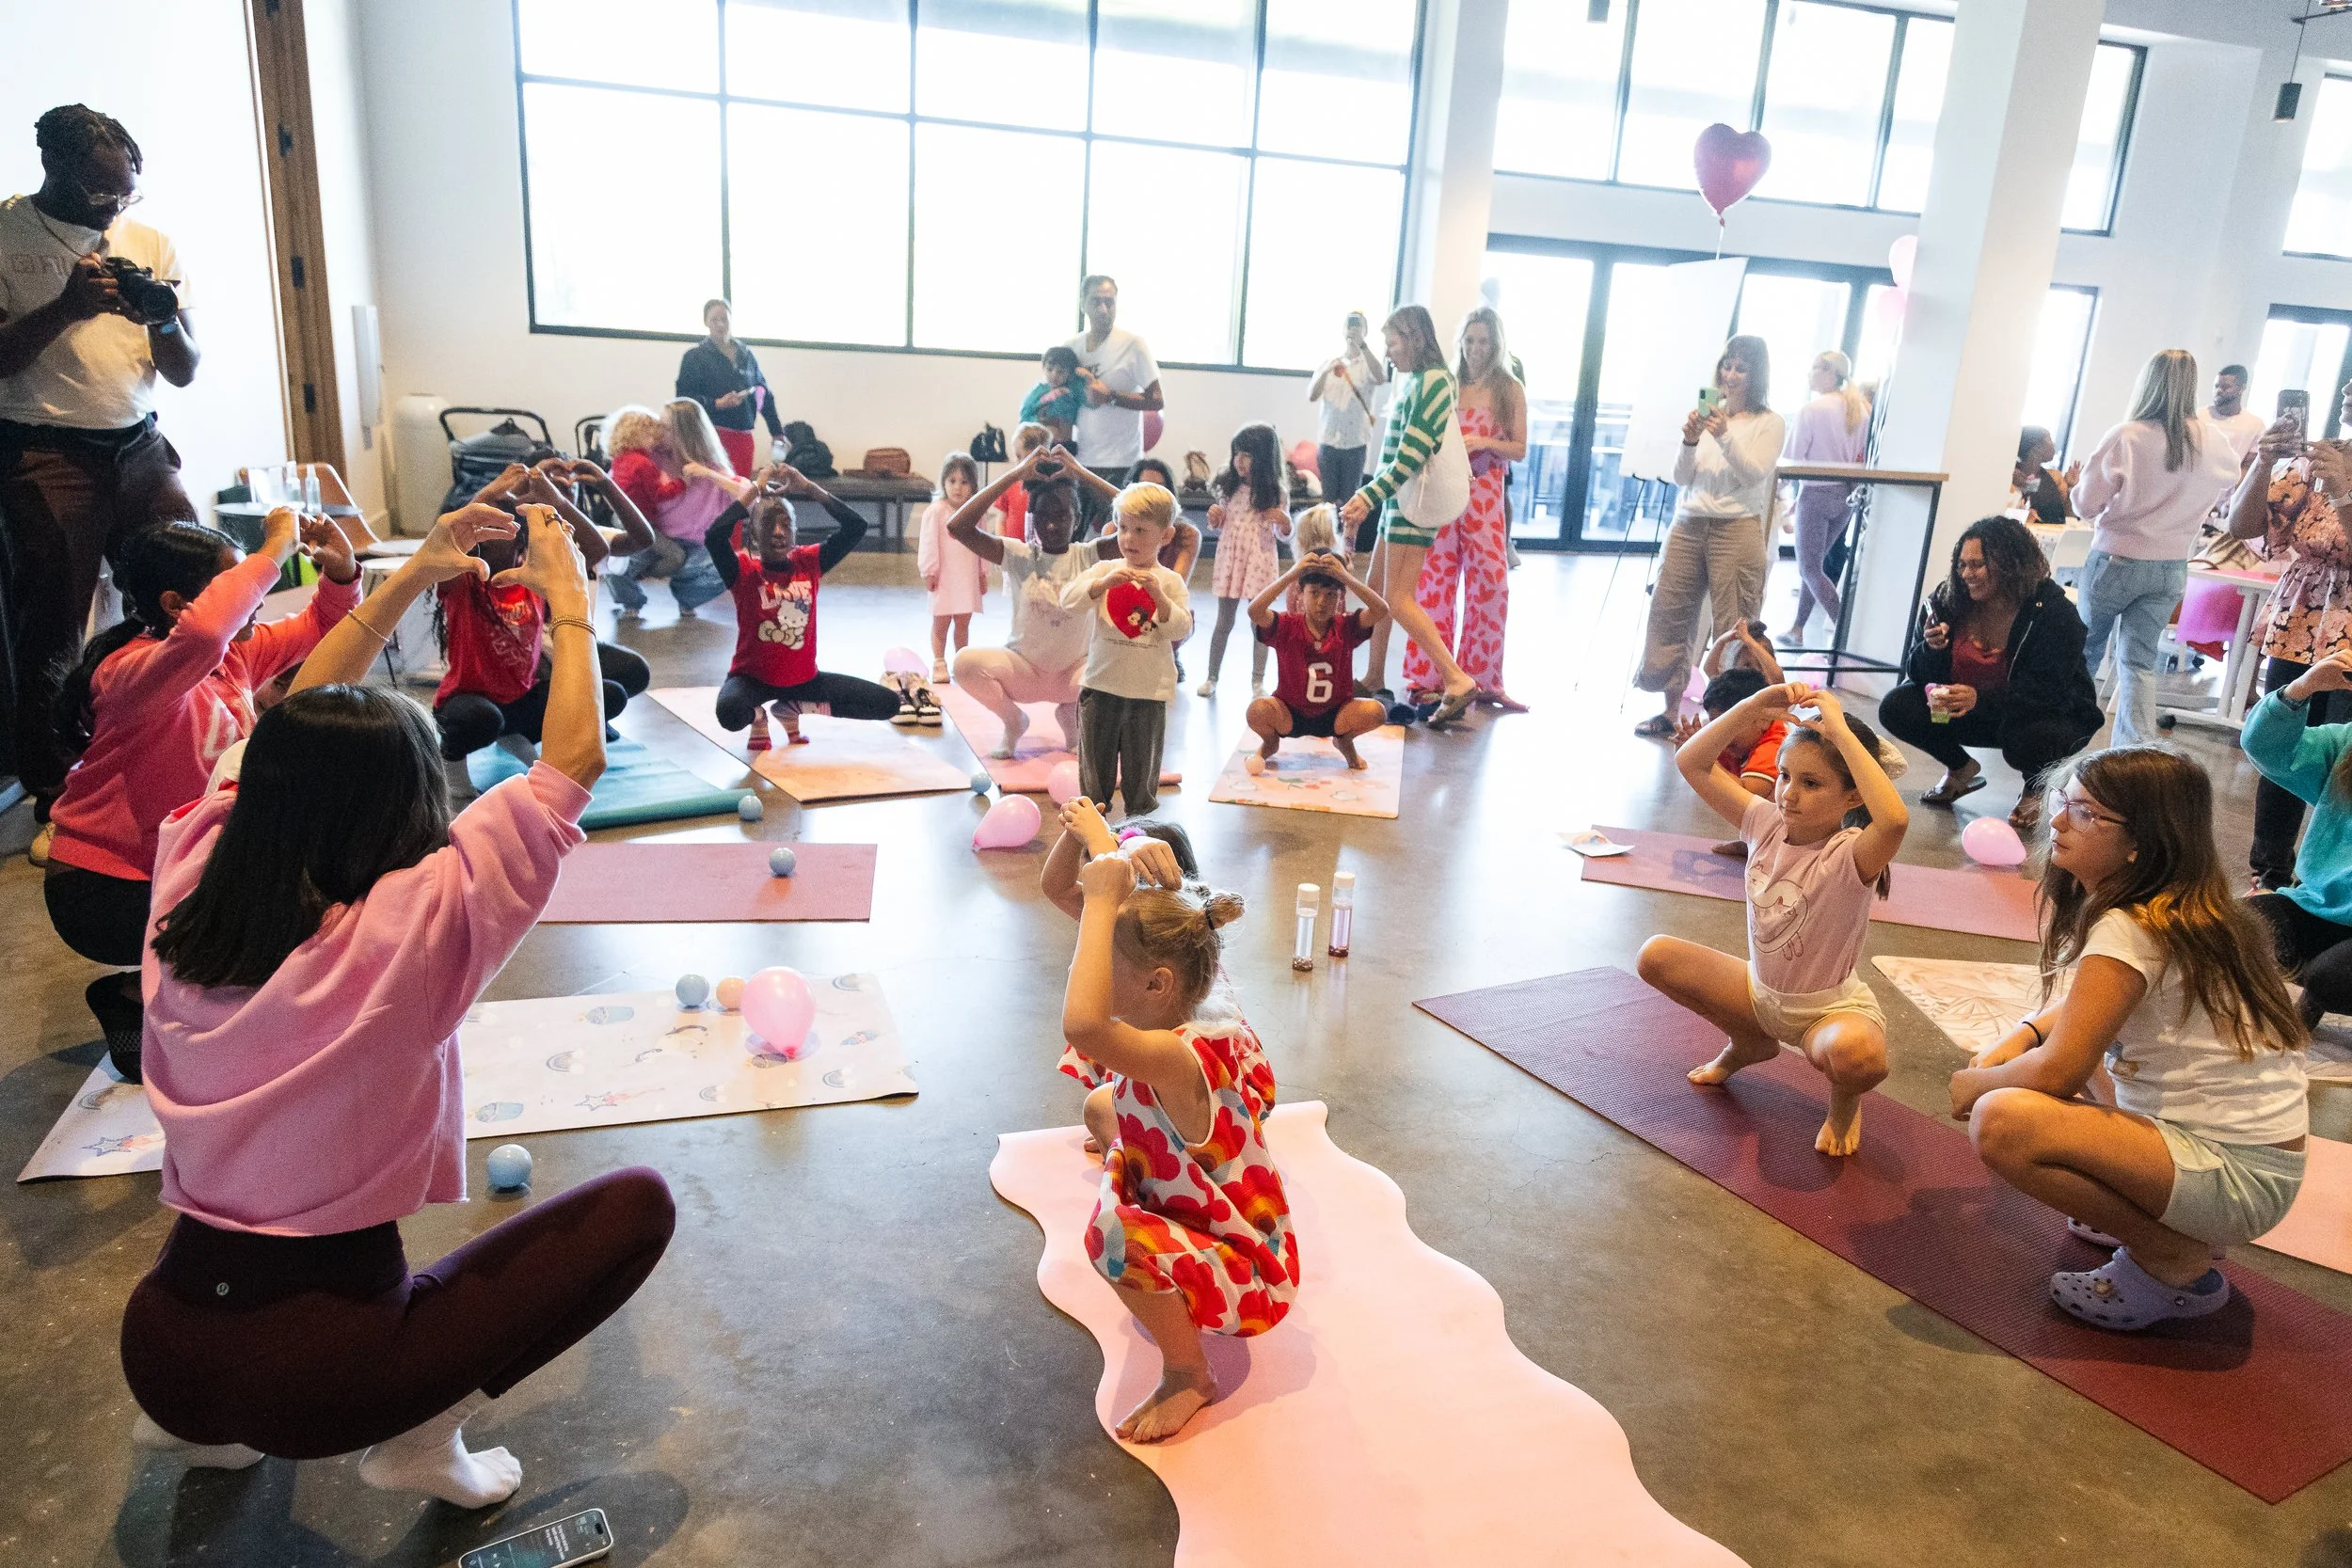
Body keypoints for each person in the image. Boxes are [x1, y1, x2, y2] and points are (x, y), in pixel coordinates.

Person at [119, 501, 675, 1502]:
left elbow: (293, 716)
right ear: (414, 808)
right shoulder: (419, 921)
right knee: (640, 1204)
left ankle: (206, 1435)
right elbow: (572, 765)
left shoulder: (192, 875)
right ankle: (417, 1439)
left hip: (161, 1356)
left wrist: (419, 570)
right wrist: (571, 600)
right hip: (325, 1371)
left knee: (226, 1354)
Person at [1949, 748, 2307, 1332]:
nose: (2059, 820)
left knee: (2002, 1118)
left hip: (2238, 1180)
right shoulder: (2179, 908)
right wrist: (2023, 1032)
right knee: (2081, 1052)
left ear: (2143, 840)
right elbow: (2089, 1011)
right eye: (2066, 801)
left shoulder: (2130, 923)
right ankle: (2158, 1215)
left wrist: (1973, 1080)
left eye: (2088, 813)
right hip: (2255, 1168)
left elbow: (2057, 1072)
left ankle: (2173, 1255)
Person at [42, 508, 356, 1081]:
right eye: (241, 583)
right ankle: (144, 993)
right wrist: (275, 548)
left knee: (305, 897)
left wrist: (340, 574)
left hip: (170, 874)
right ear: (173, 604)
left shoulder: (231, 658)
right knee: (283, 917)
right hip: (103, 890)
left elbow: (322, 626)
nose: (257, 598)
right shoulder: (129, 672)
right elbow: (208, 630)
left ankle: (139, 1001)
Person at [0, 106, 203, 858]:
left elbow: (182, 370)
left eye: (127, 194)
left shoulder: (147, 241)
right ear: (54, 170)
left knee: (197, 584)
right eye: (99, 194)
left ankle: (189, 748)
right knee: (54, 619)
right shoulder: (7, 235)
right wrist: (67, 307)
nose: (115, 209)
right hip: (47, 451)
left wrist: (162, 319)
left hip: (141, 446)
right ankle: (57, 795)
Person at [1056, 837, 1296, 1442]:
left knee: (1111, 1236)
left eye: (1105, 967)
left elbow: (1083, 1024)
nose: (1087, 974)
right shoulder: (1181, 1005)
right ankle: (1144, 1162)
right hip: (1195, 1197)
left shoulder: (1170, 1053)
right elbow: (1061, 892)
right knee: (1098, 1105)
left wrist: (1108, 892)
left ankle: (1190, 1374)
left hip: (1252, 1274)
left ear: (1157, 985)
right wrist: (1087, 842)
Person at [1640, 684, 1905, 1157]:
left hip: (1828, 1014)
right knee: (1655, 955)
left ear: (1850, 797)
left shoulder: (1851, 854)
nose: (1789, 794)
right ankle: (1749, 1041)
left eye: (1811, 783)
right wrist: (1752, 707)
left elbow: (1895, 822)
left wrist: (1841, 732)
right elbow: (1692, 763)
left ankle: (1845, 1103)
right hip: (1759, 995)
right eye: (1785, 776)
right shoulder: (1764, 824)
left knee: (1856, 1058)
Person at [1878, 516, 2102, 833]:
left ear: (2010, 564)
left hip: (2042, 715)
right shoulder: (1947, 600)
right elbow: (1917, 677)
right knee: (1896, 705)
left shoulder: (2053, 613)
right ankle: (1961, 768)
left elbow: (2047, 690)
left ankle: (2035, 787)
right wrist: (1932, 649)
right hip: (1970, 712)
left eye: (1978, 565)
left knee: (2029, 737)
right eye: (1962, 565)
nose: (1966, 574)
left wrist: (1979, 698)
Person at [432, 465, 647, 792]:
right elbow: (447, 544)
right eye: (485, 530)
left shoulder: (534, 576)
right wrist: (489, 493)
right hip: (469, 700)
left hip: (521, 697)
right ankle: (454, 766)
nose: (492, 537)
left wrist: (558, 500)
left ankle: (513, 735)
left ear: (520, 537)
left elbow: (594, 551)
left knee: (609, 696)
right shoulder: (465, 582)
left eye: (502, 531)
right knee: (481, 719)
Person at [2071, 348, 2241, 747]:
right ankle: (2131, 752)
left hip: (2116, 558)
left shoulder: (2128, 435)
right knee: (2140, 663)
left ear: (2148, 381)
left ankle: (2070, 740)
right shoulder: (2213, 439)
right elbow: (2231, 478)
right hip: (2171, 565)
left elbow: (2085, 504)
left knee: (2085, 654)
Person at [2224, 380, 2352, 889]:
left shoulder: (2334, 473)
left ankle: (2329, 877)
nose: (2346, 391)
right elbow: (2240, 526)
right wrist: (2263, 462)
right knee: (2282, 734)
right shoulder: (2313, 462)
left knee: (2343, 757)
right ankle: (2269, 870)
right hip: (2300, 620)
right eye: (2345, 387)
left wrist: (2345, 490)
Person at [1632, 336, 1786, 737]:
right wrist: (1689, 440)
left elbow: (1754, 473)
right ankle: (1670, 712)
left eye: (1740, 368)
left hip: (1736, 527)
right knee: (1670, 614)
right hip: (1689, 522)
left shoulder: (1769, 422)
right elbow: (1682, 477)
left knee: (1735, 625)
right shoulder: (1706, 417)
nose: (1730, 375)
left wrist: (1723, 435)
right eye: (1727, 365)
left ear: (1756, 376)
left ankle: (1732, 721)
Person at [1337, 306, 1481, 727]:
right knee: (1379, 591)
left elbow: (1413, 454)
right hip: (1399, 501)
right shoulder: (1416, 380)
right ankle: (1374, 674)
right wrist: (1374, 497)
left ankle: (1456, 678)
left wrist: (1369, 495)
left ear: (1415, 338)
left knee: (1397, 597)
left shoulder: (1435, 381)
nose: (1388, 351)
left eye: (1393, 342)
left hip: (1411, 504)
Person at [706, 461, 903, 748]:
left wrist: (808, 488)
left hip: (804, 681)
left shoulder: (809, 562)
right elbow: (714, 536)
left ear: (795, 532)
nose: (777, 531)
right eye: (768, 524)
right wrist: (756, 489)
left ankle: (794, 707)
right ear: (753, 534)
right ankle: (758, 716)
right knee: (730, 713)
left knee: (887, 704)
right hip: (751, 680)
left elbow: (855, 526)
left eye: (785, 524)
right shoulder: (743, 570)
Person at [1406, 306, 1525, 712]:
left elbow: (1520, 449)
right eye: (1470, 341)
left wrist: (1485, 443)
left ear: (1496, 345)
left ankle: (1485, 679)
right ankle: (1428, 677)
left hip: (1487, 494)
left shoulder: (1509, 389)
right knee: (1435, 583)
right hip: (1446, 488)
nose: (1476, 349)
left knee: (1491, 582)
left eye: (1484, 341)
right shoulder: (1449, 383)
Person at [949, 449, 1100, 756]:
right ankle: (1014, 721)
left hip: (1074, 676)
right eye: (1043, 516)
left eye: (1061, 516)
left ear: (1077, 518)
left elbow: (1143, 515)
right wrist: (1015, 474)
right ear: (1032, 518)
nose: (1052, 526)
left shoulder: (1088, 556)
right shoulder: (1019, 555)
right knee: (964, 663)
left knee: (1119, 667)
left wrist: (1081, 472)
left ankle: (1072, 719)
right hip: (1025, 672)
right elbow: (957, 527)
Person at [1059, 483, 1191, 816]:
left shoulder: (1171, 581)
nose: (1129, 538)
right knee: (1093, 783)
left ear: (1165, 535)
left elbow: (1180, 628)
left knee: (1141, 783)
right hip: (1100, 689)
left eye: (1141, 530)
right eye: (1122, 528)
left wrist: (1159, 597)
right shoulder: (1105, 570)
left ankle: (1139, 841)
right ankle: (1094, 846)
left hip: (1148, 695)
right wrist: (1101, 585)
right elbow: (1068, 601)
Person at [2242, 650, 2352, 1026]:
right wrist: (2301, 690)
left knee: (2332, 977)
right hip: (2318, 906)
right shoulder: (2346, 742)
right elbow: (2267, 749)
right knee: (2226, 928)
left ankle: (2316, 994)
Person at [1245, 550, 1390, 770]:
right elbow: (1254, 611)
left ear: (1340, 597)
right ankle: (1270, 743)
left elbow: (1381, 609)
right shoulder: (1286, 625)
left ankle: (1344, 740)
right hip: (1290, 713)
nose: (1322, 602)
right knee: (1257, 710)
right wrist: (1292, 574)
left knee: (1376, 712)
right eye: (1314, 593)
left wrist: (1346, 577)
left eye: (1331, 594)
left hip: (1336, 714)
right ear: (1300, 593)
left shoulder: (1347, 627)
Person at [603, 403, 730, 614]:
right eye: (657, 427)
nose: (658, 433)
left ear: (684, 433)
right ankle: (635, 597)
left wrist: (709, 474)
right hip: (650, 531)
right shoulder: (646, 460)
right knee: (619, 566)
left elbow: (744, 492)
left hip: (689, 541)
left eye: (665, 428)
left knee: (723, 568)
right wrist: (682, 483)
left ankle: (684, 595)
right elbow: (639, 493)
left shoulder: (710, 465)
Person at [1779, 351, 1869, 648]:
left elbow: (1792, 458)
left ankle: (1844, 636)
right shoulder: (1859, 409)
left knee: (1808, 568)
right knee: (1815, 567)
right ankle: (1798, 628)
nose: (1810, 373)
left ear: (1830, 373)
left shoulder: (1812, 410)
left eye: (1815, 367)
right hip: (1845, 497)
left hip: (1816, 494)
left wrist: (1783, 493)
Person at [1196, 422, 1293, 698]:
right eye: (1237, 453)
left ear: (1263, 458)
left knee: (1260, 622)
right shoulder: (1229, 488)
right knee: (1223, 621)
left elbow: (1283, 535)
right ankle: (1212, 676)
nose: (1239, 460)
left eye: (1247, 454)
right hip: (1231, 560)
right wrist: (1215, 518)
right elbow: (1219, 523)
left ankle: (1257, 681)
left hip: (1260, 562)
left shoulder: (1276, 493)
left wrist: (1284, 522)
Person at [1068, 276, 1164, 529]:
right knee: (1075, 540)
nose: (1103, 309)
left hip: (1123, 462)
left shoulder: (1133, 344)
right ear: (1083, 304)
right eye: (1096, 302)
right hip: (1081, 461)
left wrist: (1110, 396)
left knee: (1121, 538)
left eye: (1109, 302)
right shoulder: (1071, 348)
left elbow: (1156, 400)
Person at [675, 296, 782, 475]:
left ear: (731, 320)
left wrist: (777, 432)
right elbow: (683, 400)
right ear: (706, 323)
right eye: (714, 320)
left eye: (724, 319)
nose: (720, 324)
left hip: (743, 437)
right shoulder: (694, 357)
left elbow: (763, 394)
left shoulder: (746, 355)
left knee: (741, 491)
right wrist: (717, 404)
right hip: (710, 437)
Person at [1310, 310, 1388, 540]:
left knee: (1350, 500)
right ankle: (1326, 545)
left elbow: (1381, 377)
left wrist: (1363, 345)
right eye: (1349, 325)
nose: (1352, 329)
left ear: (1365, 330)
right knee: (1328, 501)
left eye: (1358, 325)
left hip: (1355, 444)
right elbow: (1312, 395)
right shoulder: (1330, 362)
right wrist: (1325, 371)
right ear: (1343, 329)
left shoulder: (1368, 363)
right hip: (1328, 442)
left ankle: (1346, 548)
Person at [917, 451, 989, 685]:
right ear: (944, 483)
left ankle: (961, 662)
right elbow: (929, 543)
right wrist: (930, 571)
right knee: (941, 622)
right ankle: (939, 662)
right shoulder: (936, 511)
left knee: (963, 622)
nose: (957, 487)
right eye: (952, 481)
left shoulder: (975, 513)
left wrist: (983, 573)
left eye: (964, 482)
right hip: (944, 577)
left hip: (966, 578)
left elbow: (983, 543)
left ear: (973, 485)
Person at [1021, 345, 1083, 448]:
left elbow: (1076, 415)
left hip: (1064, 444)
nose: (1054, 375)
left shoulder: (1072, 393)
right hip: (1038, 443)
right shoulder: (1039, 391)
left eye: (1060, 371)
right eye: (1049, 369)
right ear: (1043, 368)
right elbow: (1025, 413)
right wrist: (1045, 399)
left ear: (1070, 374)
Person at [2012, 427, 2074, 526]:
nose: (2053, 444)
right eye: (2049, 439)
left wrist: (2070, 487)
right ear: (2036, 446)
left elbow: (2063, 514)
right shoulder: (2013, 475)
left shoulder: (2051, 476)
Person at [2208, 362, 2266, 463]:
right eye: (2216, 386)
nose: (2218, 391)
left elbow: (2249, 467)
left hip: (2235, 478)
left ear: (2242, 388)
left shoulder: (2255, 425)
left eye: (2225, 387)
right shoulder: (2198, 416)